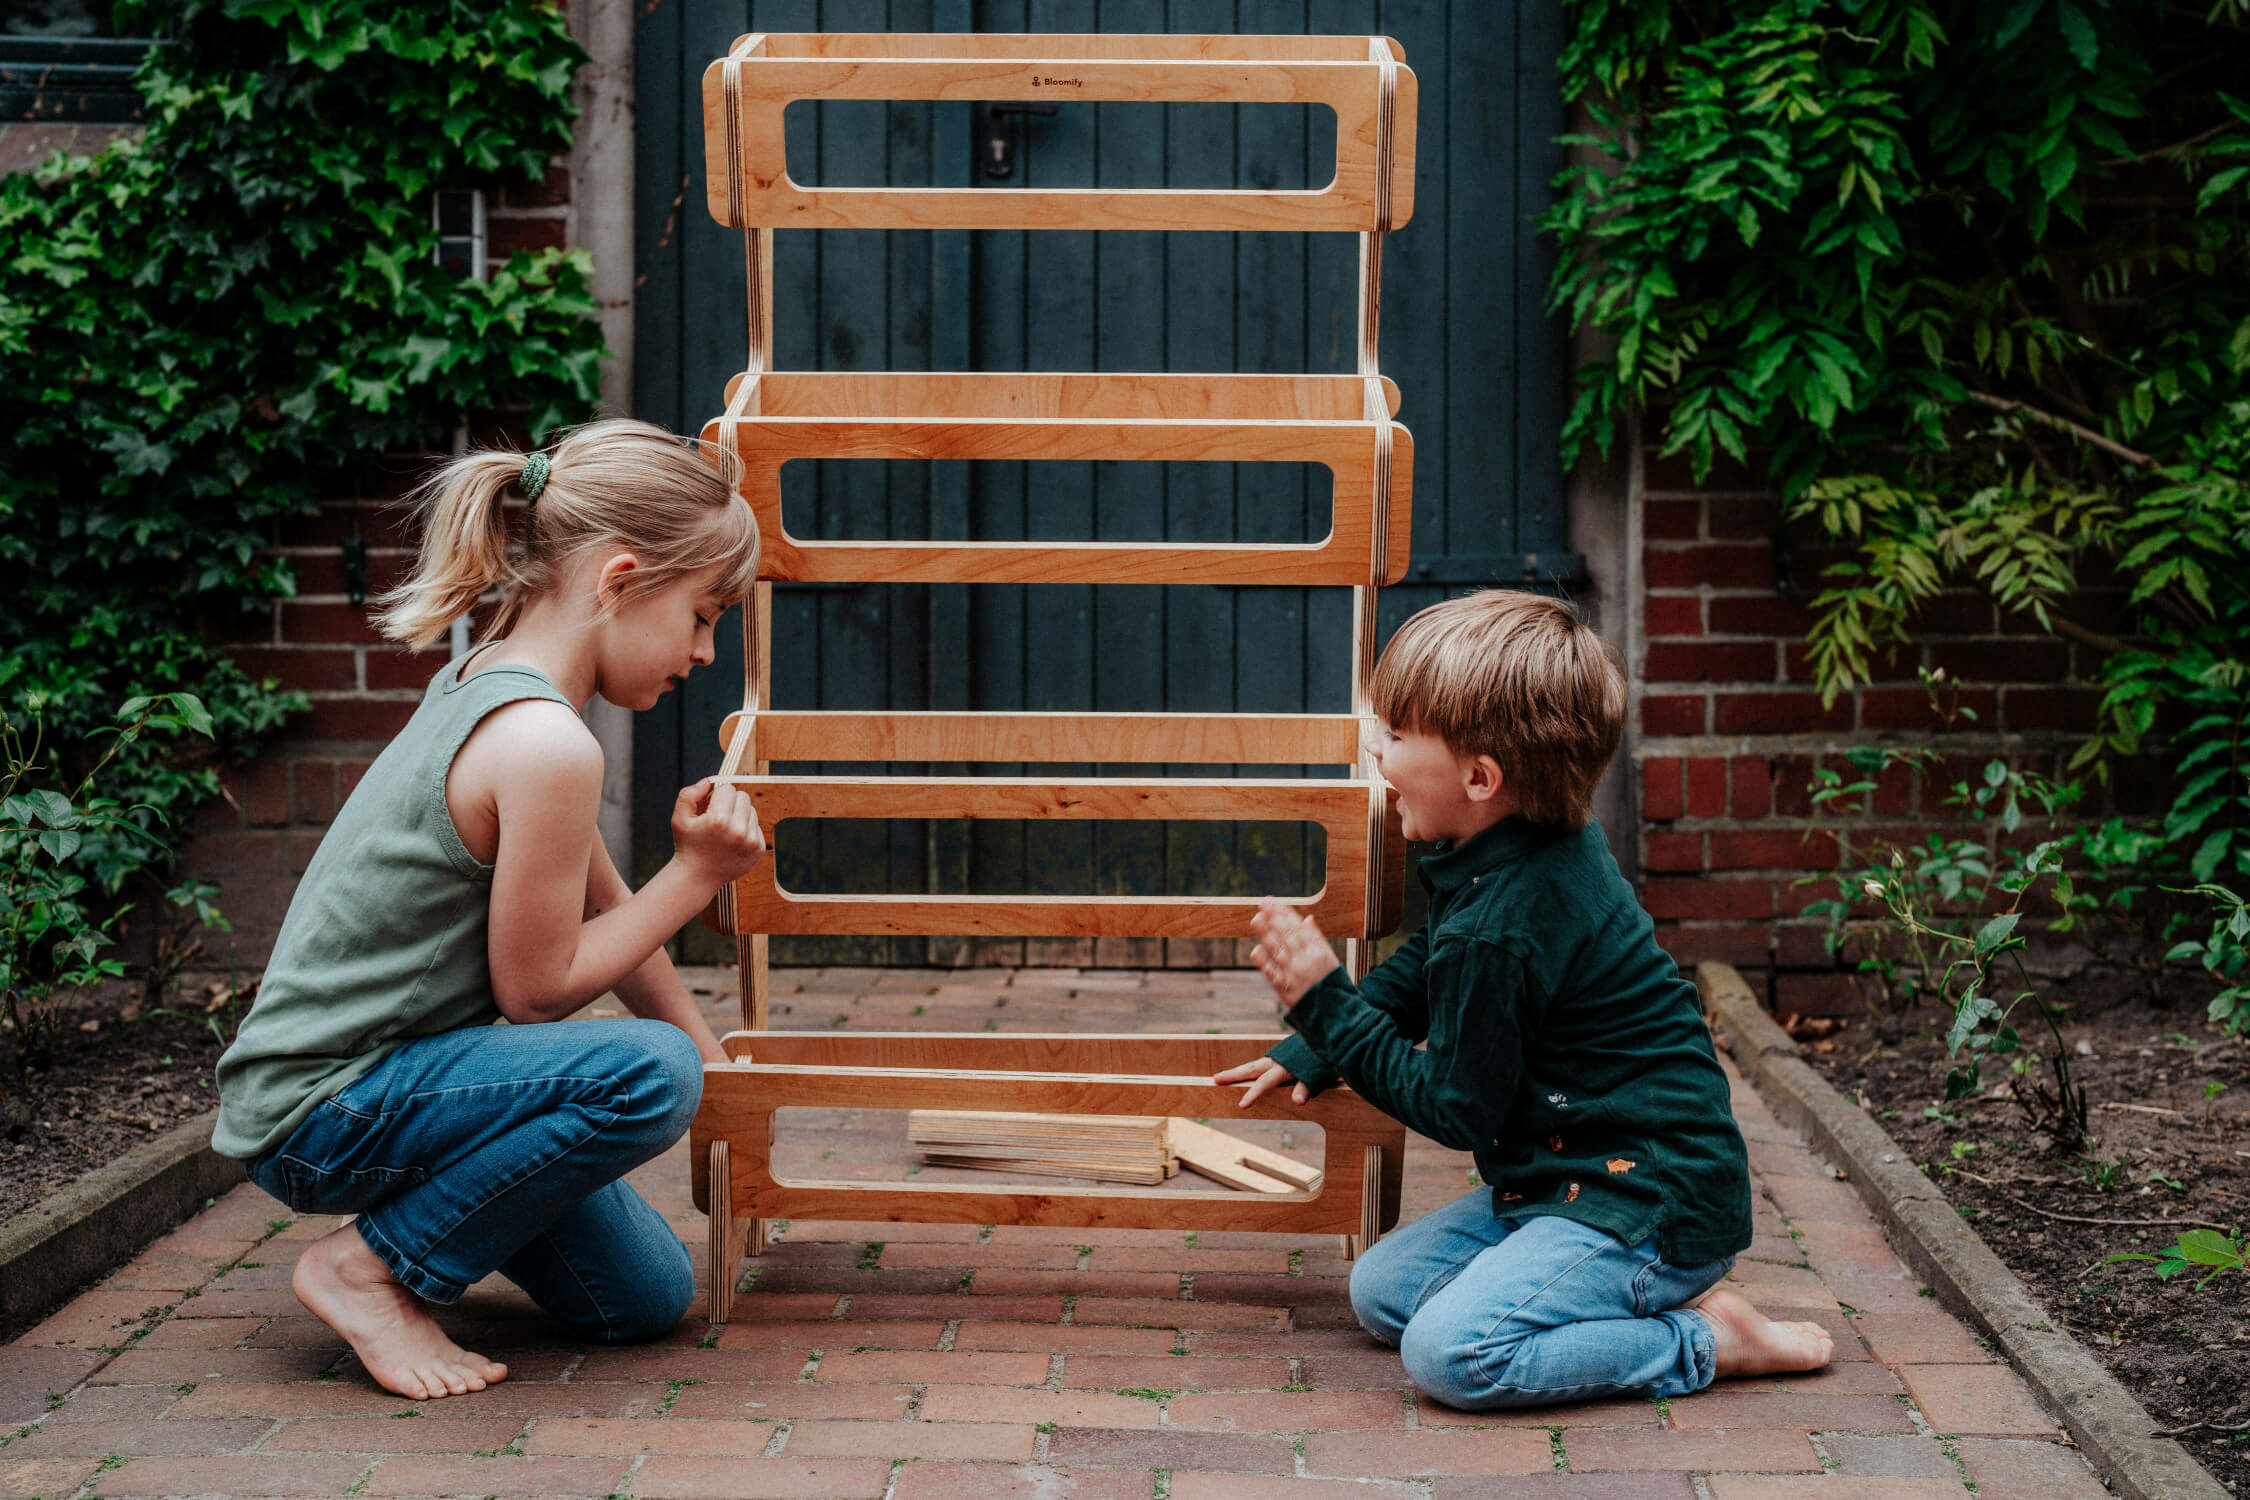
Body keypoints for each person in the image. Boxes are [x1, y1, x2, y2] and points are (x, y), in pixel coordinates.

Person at [211, 419, 769, 1401]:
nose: (708, 650)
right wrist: (699, 876)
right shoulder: (546, 744)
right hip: (324, 1105)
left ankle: (414, 1227)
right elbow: (538, 992)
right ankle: (368, 1266)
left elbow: (606, 903)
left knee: (641, 1297)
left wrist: (720, 1081)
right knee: (644, 1076)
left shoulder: (498, 682)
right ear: (620, 579)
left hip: (380, 1087)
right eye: (703, 615)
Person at [1216, 590, 1832, 1410]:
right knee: (1383, 1292)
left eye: (1397, 737)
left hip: (1650, 1201)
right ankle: (1611, 1294)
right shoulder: (1526, 846)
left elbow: (1456, 1108)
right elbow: (1434, 960)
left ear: (1480, 776)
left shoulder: (1505, 920)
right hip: (1560, 1176)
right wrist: (1313, 1048)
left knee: (1452, 1354)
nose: (1377, 752)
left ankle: (1707, 1339)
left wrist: (1326, 1003)